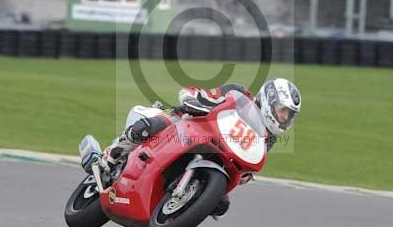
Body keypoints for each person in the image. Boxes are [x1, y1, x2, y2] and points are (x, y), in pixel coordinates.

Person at [82, 78, 301, 218]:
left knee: (222, 204)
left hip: (218, 152)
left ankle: (184, 196)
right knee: (152, 125)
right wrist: (193, 101)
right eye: (283, 111)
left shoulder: (267, 138)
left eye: (288, 115)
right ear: (269, 99)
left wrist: (242, 176)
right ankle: (108, 158)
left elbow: (249, 161)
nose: (284, 118)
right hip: (185, 124)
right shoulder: (238, 93)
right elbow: (197, 92)